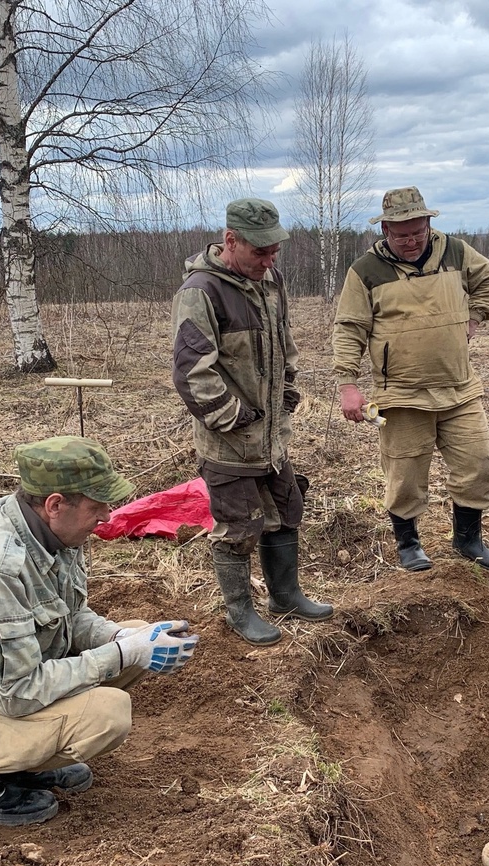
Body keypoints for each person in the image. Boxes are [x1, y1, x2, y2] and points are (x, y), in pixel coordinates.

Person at [0, 436, 199, 826]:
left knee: (136, 633)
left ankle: (24, 760)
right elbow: (16, 693)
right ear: (54, 504)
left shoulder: (52, 534)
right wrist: (122, 654)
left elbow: (71, 616)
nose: (107, 515)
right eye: (96, 504)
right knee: (107, 714)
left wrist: (122, 640)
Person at [172, 198, 333, 647]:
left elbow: (285, 343)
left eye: (274, 250)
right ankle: (239, 611)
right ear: (231, 241)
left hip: (272, 438)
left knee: (285, 513)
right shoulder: (201, 291)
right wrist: (235, 418)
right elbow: (191, 372)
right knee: (237, 527)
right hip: (229, 443)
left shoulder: (271, 281)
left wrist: (287, 392)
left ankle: (286, 595)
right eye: (260, 252)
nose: (270, 260)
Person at [332, 186, 489, 573]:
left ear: (428, 223)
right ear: (386, 231)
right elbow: (349, 328)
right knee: (405, 475)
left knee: (478, 466)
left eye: (418, 232)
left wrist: (475, 316)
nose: (411, 242)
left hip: (459, 388)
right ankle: (409, 544)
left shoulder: (456, 252)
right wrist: (348, 383)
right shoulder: (365, 271)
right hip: (403, 394)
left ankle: (468, 540)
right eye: (401, 235)